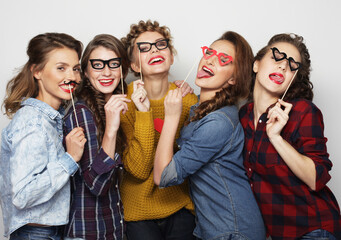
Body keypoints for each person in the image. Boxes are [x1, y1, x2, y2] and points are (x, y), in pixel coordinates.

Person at [154, 31, 266, 240]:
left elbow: (163, 177)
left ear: (233, 78)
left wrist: (171, 118)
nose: (211, 59)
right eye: (210, 52)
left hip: (233, 230)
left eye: (224, 60)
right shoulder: (201, 108)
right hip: (214, 228)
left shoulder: (218, 122)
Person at [239, 33, 341, 239]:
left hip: (313, 228)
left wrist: (277, 138)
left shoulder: (302, 111)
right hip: (277, 233)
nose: (284, 66)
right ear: (256, 64)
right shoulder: (243, 115)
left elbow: (316, 178)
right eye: (277, 57)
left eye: (292, 65)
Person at [0, 33, 86, 240]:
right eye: (61, 68)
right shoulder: (33, 122)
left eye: (75, 69)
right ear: (37, 71)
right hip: (36, 233)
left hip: (48, 231)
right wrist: (70, 159)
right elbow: (22, 195)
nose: (72, 77)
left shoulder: (50, 119)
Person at [120, 20, 198, 240]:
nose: (154, 49)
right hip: (138, 212)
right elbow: (139, 169)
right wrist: (143, 112)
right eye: (143, 48)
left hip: (179, 206)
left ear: (171, 56)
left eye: (160, 44)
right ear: (134, 66)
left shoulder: (188, 99)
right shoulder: (124, 104)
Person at [63, 34, 130, 240]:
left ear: (123, 68)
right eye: (98, 65)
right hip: (88, 231)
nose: (107, 72)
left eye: (113, 63)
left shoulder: (121, 106)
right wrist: (111, 129)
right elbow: (97, 185)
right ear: (85, 71)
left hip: (112, 228)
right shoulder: (80, 111)